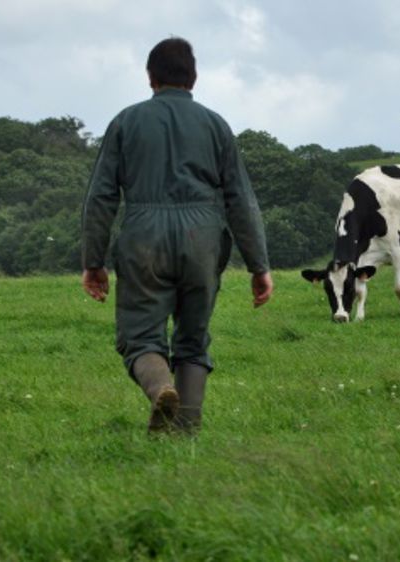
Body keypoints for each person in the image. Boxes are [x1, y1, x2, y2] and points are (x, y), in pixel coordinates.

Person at [81, 37, 272, 434]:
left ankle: (161, 389)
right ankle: (185, 432)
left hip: (143, 235)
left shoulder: (126, 122)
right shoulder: (215, 124)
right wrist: (259, 266)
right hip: (202, 238)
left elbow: (101, 196)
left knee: (140, 338)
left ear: (150, 78)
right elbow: (240, 198)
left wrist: (93, 261)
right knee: (193, 340)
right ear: (194, 78)